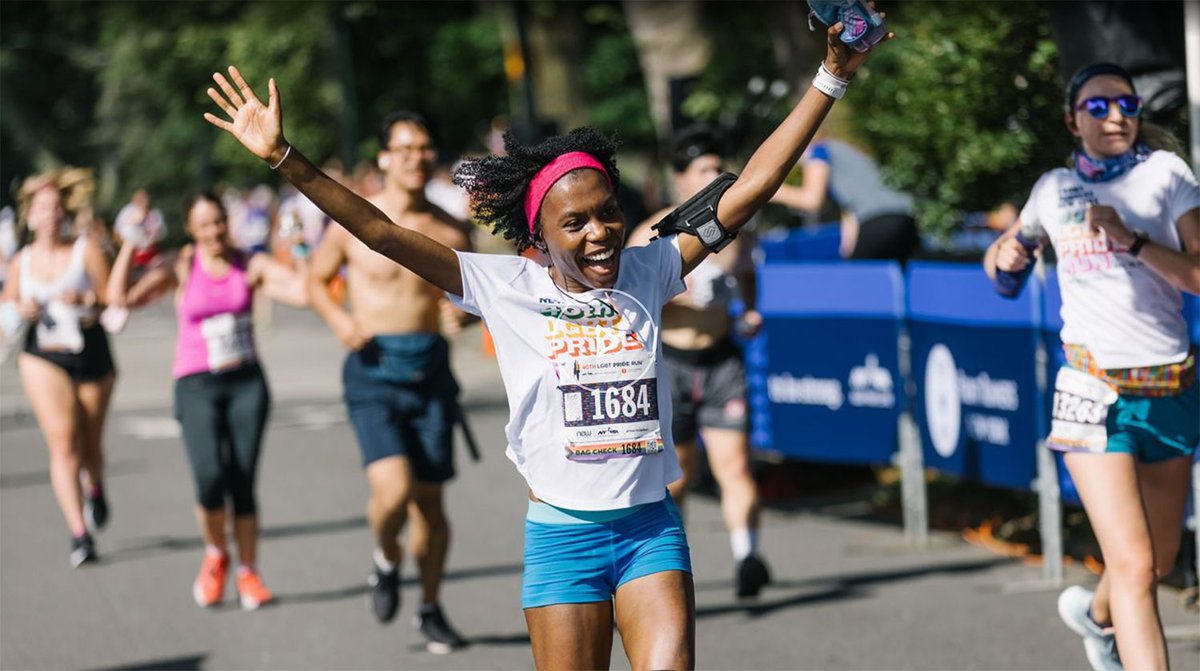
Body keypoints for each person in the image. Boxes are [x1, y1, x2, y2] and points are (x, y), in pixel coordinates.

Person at [203, 20, 886, 665]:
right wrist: (285, 158)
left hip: (650, 531)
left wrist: (832, 74)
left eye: (609, 213)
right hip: (564, 539)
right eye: (576, 223)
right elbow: (381, 233)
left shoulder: (652, 269)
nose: (600, 233)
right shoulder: (502, 286)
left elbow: (755, 185)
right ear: (541, 236)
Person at [985, 62, 1199, 671]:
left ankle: (1096, 617)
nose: (1114, 118)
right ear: (1072, 119)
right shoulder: (1053, 188)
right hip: (1090, 390)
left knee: (1155, 563)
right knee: (1132, 565)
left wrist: (1133, 241)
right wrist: (1002, 256)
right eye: (1099, 107)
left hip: (1170, 386)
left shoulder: (1167, 174)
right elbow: (1007, 268)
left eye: (1126, 106)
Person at [305, 111, 471, 653]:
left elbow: (473, 298)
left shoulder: (451, 230)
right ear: (383, 158)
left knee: (431, 504)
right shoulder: (355, 220)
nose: (415, 158)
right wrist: (339, 319)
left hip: (429, 369)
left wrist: (463, 316)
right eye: (403, 148)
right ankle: (385, 557)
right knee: (394, 491)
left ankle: (429, 606)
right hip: (373, 368)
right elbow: (315, 279)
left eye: (423, 148)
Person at [108, 192, 309, 610]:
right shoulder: (181, 265)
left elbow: (303, 293)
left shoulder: (248, 263)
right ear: (190, 228)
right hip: (195, 383)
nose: (214, 230)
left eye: (219, 221)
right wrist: (130, 242)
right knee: (209, 477)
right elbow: (120, 298)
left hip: (246, 384)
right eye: (204, 224)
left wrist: (299, 246)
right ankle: (217, 553)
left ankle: (249, 571)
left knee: (243, 482)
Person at [627, 126, 772, 599]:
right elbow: (628, 303)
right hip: (671, 362)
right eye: (704, 170)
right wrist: (685, 305)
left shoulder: (738, 224)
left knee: (735, 466)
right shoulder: (654, 229)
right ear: (682, 179)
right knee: (679, 476)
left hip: (721, 359)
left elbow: (747, 274)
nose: (714, 176)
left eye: (717, 166)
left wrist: (749, 309)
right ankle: (670, 570)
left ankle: (746, 555)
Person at [0, 171, 116, 567]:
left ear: (65, 213)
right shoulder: (22, 262)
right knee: (63, 442)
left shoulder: (86, 250)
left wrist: (86, 299)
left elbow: (110, 300)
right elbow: (6, 309)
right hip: (42, 356)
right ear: (29, 215)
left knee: (90, 446)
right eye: (43, 209)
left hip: (91, 353)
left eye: (56, 208)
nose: (50, 215)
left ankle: (95, 485)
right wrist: (19, 309)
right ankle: (80, 534)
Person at [770, 132, 920, 262]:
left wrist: (769, 190)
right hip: (907, 218)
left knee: (859, 280)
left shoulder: (818, 151)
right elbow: (851, 210)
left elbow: (812, 200)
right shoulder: (844, 150)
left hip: (879, 221)